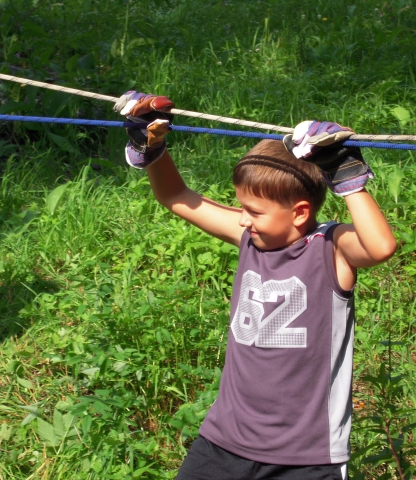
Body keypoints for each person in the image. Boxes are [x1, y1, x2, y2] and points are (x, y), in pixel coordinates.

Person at [114, 92, 397, 480]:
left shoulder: (331, 249)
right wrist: (153, 146)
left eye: (254, 211)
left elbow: (380, 247)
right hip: (224, 442)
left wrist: (347, 178)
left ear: (299, 213)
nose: (243, 219)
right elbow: (176, 196)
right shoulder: (249, 237)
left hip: (306, 456)